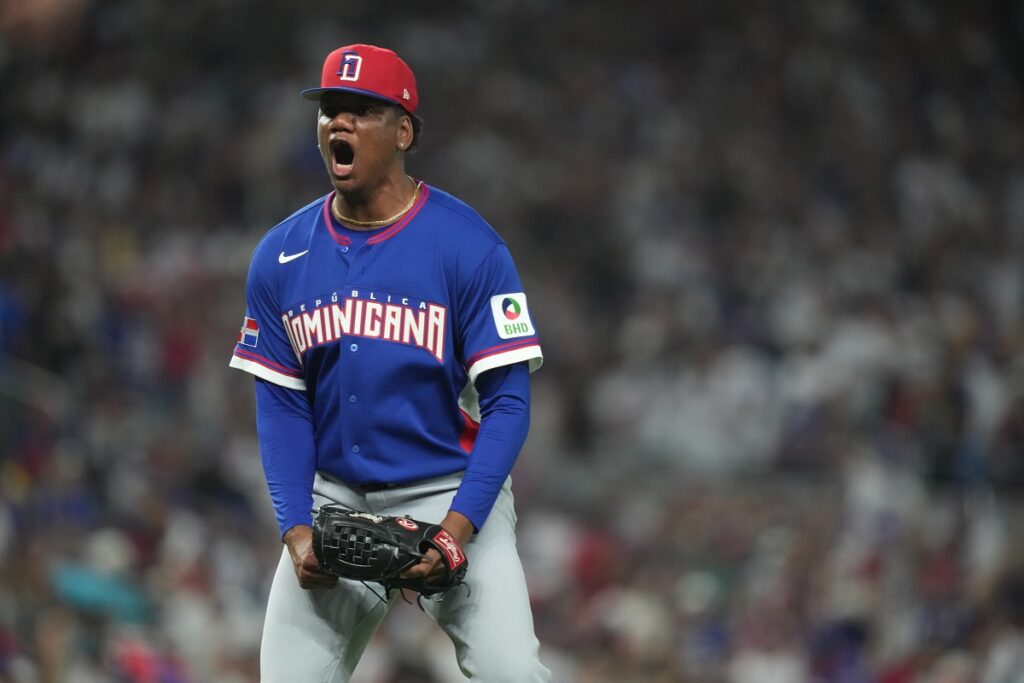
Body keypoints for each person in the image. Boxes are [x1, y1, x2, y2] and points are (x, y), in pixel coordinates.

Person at [228, 43, 551, 682]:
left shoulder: (469, 246)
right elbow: (282, 403)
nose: (337, 124)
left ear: (404, 131)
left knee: (513, 671)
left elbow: (509, 403)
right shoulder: (281, 255)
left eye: (361, 111)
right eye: (329, 111)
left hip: (446, 490)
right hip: (336, 500)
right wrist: (295, 527)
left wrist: (459, 529)